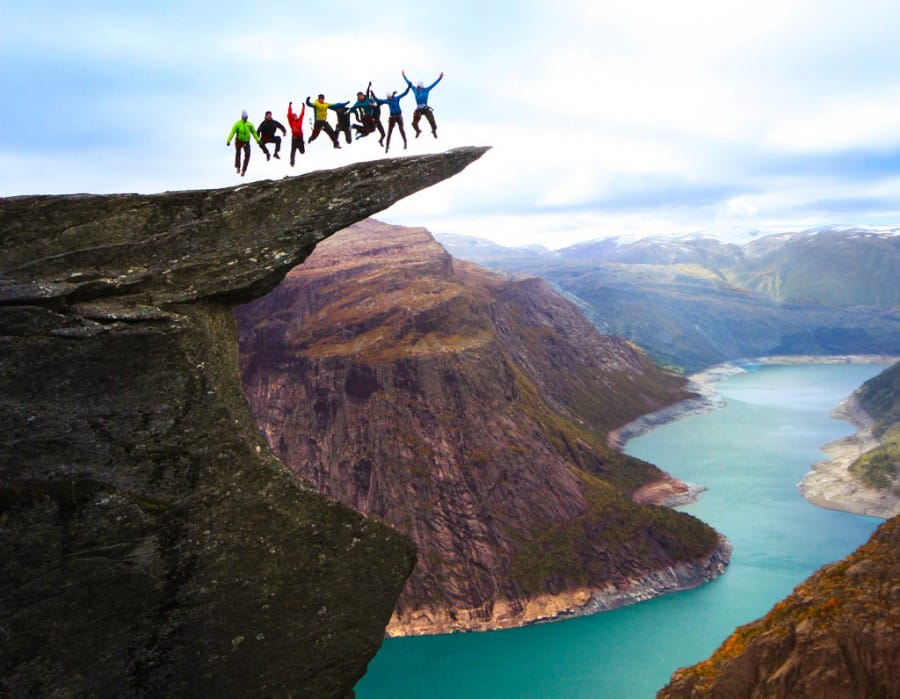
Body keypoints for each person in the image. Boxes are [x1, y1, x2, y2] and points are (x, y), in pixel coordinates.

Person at [402, 70, 443, 138]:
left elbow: (434, 84)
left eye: (419, 88)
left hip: (425, 109)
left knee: (432, 120)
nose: (418, 89)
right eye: (418, 87)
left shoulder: (426, 90)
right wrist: (404, 76)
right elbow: (408, 83)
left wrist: (440, 78)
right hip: (418, 109)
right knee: (414, 123)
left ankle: (434, 131)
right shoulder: (415, 89)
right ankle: (418, 131)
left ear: (422, 87)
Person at [374, 84, 411, 153]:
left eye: (389, 97)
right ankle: (387, 146)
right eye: (387, 97)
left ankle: (405, 143)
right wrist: (373, 95)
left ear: (391, 96)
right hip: (392, 117)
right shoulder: (387, 100)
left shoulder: (396, 98)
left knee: (401, 130)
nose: (388, 98)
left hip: (399, 116)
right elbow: (378, 100)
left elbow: (404, 94)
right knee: (389, 132)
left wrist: (408, 88)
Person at [226, 109, 262, 176]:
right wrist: (228, 140)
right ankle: (238, 167)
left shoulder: (250, 125)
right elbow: (232, 132)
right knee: (238, 153)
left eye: (246, 118)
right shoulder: (237, 124)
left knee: (248, 155)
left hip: (246, 142)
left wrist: (258, 140)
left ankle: (244, 170)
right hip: (239, 141)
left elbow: (254, 133)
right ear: (242, 117)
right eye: (244, 118)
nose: (245, 119)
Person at [286, 101, 306, 167]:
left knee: (302, 152)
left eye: (295, 116)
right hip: (294, 138)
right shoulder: (291, 122)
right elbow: (288, 114)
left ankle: (299, 146)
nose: (294, 117)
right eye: (293, 116)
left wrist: (303, 107)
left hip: (300, 138)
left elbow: (302, 114)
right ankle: (292, 162)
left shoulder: (299, 120)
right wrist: (290, 106)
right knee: (293, 151)